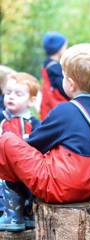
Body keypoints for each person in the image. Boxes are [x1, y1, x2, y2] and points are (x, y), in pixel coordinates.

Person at [0, 43, 90, 205]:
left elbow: (35, 145)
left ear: (70, 83)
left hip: (60, 189)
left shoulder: (66, 111)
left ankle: (16, 205)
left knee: (7, 141)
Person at [0, 73, 40, 231]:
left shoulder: (33, 123)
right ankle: (12, 215)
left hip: (25, 166)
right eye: (8, 92)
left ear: (31, 100)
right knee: (6, 187)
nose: (11, 97)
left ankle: (26, 215)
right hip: (4, 167)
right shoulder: (2, 119)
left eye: (18, 94)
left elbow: (39, 144)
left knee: (25, 190)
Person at [40, 32, 69, 120]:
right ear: (59, 48)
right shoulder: (55, 68)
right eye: (65, 47)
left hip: (48, 108)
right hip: (58, 109)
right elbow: (65, 89)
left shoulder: (47, 63)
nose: (66, 49)